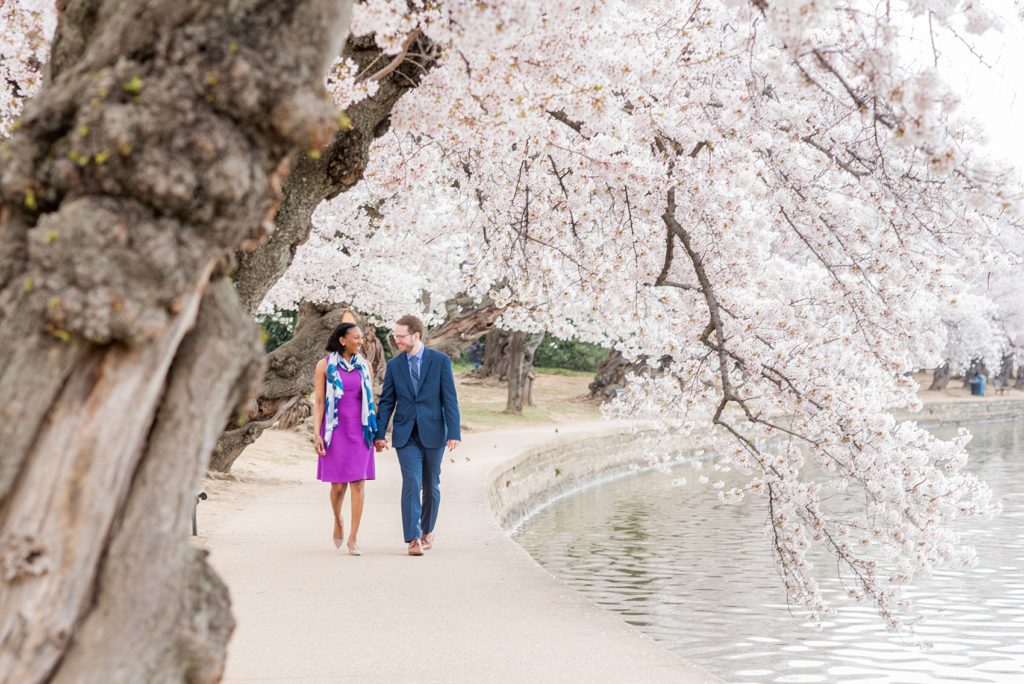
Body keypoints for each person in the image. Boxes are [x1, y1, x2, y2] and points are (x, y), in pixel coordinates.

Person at [374, 315, 461, 556]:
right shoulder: (394, 365)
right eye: (395, 336)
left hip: (434, 432)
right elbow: (387, 401)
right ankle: (413, 538)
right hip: (405, 435)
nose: (397, 340)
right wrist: (380, 433)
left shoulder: (440, 361)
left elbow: (449, 399)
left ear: (416, 336)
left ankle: (427, 530)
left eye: (401, 336)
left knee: (431, 484)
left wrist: (454, 431)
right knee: (411, 482)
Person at [313, 322, 377, 556]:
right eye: (356, 338)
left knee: (358, 483)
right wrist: (317, 433)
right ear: (342, 340)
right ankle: (338, 519)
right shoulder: (325, 365)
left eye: (361, 338)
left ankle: (353, 538)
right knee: (338, 486)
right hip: (335, 430)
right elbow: (319, 401)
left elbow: (369, 401)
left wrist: (376, 433)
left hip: (360, 431)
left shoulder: (365, 366)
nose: (360, 341)